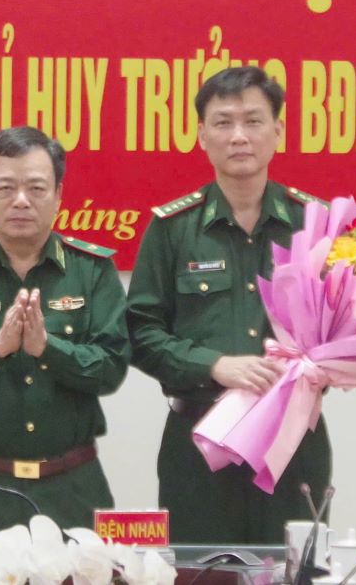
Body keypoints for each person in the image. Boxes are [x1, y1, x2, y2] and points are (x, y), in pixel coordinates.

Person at [126, 66, 331, 544]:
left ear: (278, 131)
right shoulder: (173, 228)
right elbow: (140, 333)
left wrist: (350, 365)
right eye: (223, 122)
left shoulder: (314, 225)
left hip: (292, 443)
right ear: (201, 135)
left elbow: (342, 328)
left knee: (293, 573)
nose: (239, 136)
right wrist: (214, 365)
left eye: (253, 121)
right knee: (199, 574)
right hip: (199, 441)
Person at [0, 126, 130, 534]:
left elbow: (111, 368)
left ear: (58, 195)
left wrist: (47, 350)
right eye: (6, 188)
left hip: (73, 488)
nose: (20, 201)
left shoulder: (92, 270)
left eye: (35, 187)